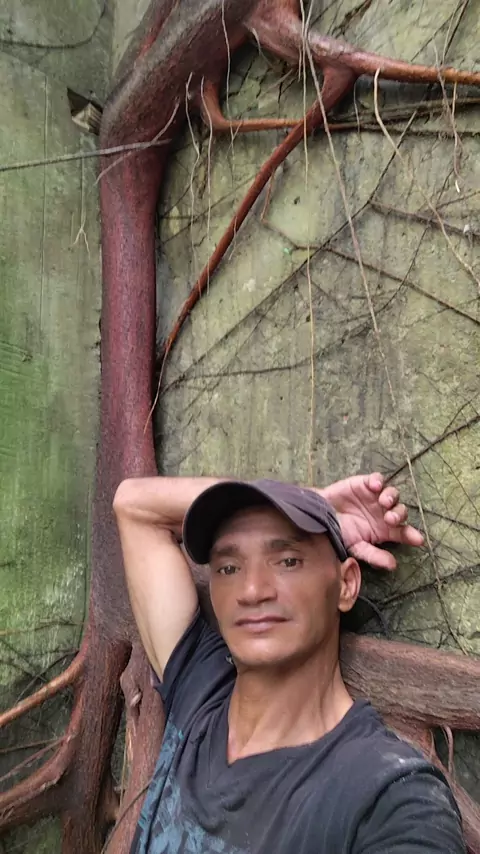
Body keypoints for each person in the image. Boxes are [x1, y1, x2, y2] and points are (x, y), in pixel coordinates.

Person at [113, 472, 466, 854]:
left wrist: (310, 510)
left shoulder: (390, 796)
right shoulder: (199, 690)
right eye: (229, 568)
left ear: (346, 584)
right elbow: (134, 504)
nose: (252, 591)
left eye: (288, 561)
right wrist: (316, 500)